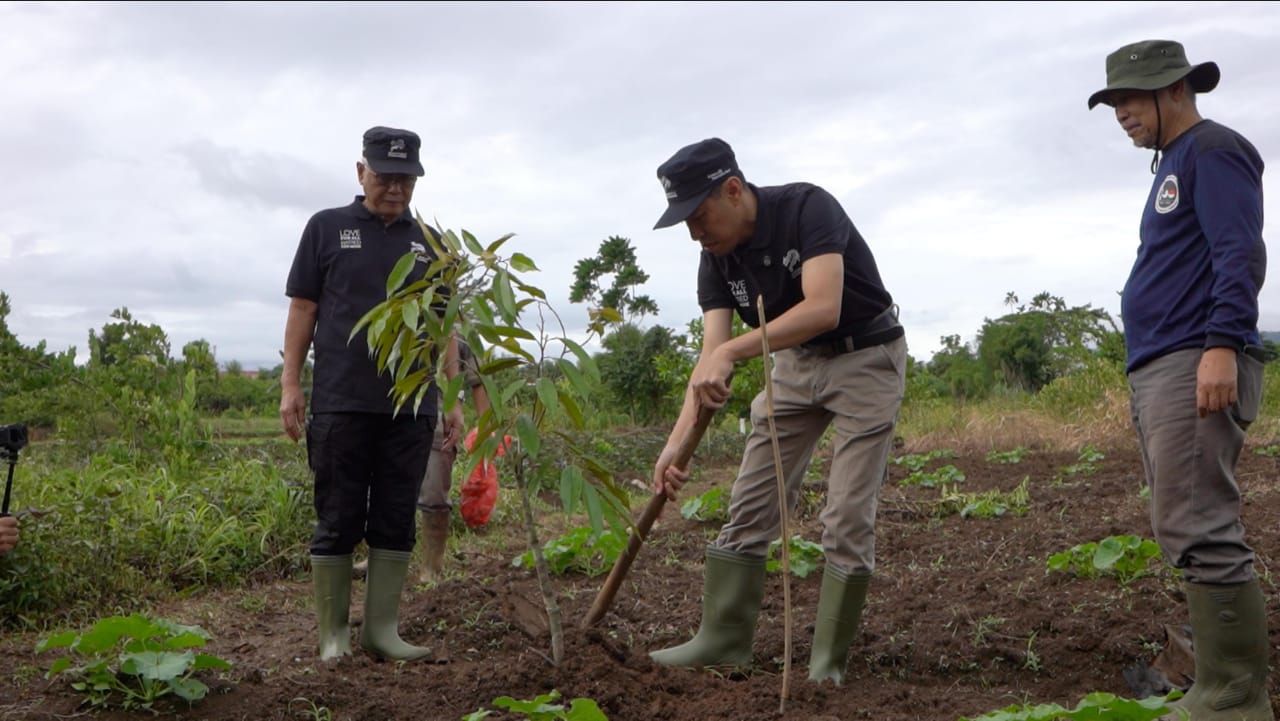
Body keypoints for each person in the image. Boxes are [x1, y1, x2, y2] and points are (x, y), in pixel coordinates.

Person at [647, 137, 906, 685]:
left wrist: (733, 352)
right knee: (750, 504)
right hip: (791, 365)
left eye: (698, 215)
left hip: (865, 358)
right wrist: (676, 443)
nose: (695, 232)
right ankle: (722, 641)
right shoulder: (715, 260)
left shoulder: (808, 208)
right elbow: (708, 356)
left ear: (734, 190)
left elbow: (822, 306)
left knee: (846, 514)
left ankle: (825, 666)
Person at [1088, 40, 1271, 720]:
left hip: (1198, 355)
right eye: (1113, 103)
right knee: (1182, 520)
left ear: (1173, 91)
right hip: (1169, 361)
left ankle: (1236, 697)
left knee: (1200, 522)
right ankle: (1216, 686)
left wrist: (1221, 343)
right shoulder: (1176, 161)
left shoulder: (1214, 150)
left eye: (1130, 99)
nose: (1120, 114)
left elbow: (1239, 250)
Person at [280, 125, 465, 663]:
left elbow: (445, 326)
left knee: (394, 515)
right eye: (386, 177)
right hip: (340, 401)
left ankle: (381, 630)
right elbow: (303, 310)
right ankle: (333, 637)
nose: (396, 190)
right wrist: (291, 383)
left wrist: (450, 396)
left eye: (406, 180)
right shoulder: (327, 228)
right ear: (361, 172)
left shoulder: (432, 245)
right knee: (336, 516)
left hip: (409, 407)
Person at [352, 339, 490, 583]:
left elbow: (478, 382)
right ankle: (378, 558)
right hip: (393, 415)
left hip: (439, 416)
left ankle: (431, 568)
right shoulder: (394, 323)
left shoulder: (457, 339)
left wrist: (485, 431)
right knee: (383, 488)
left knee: (435, 491)